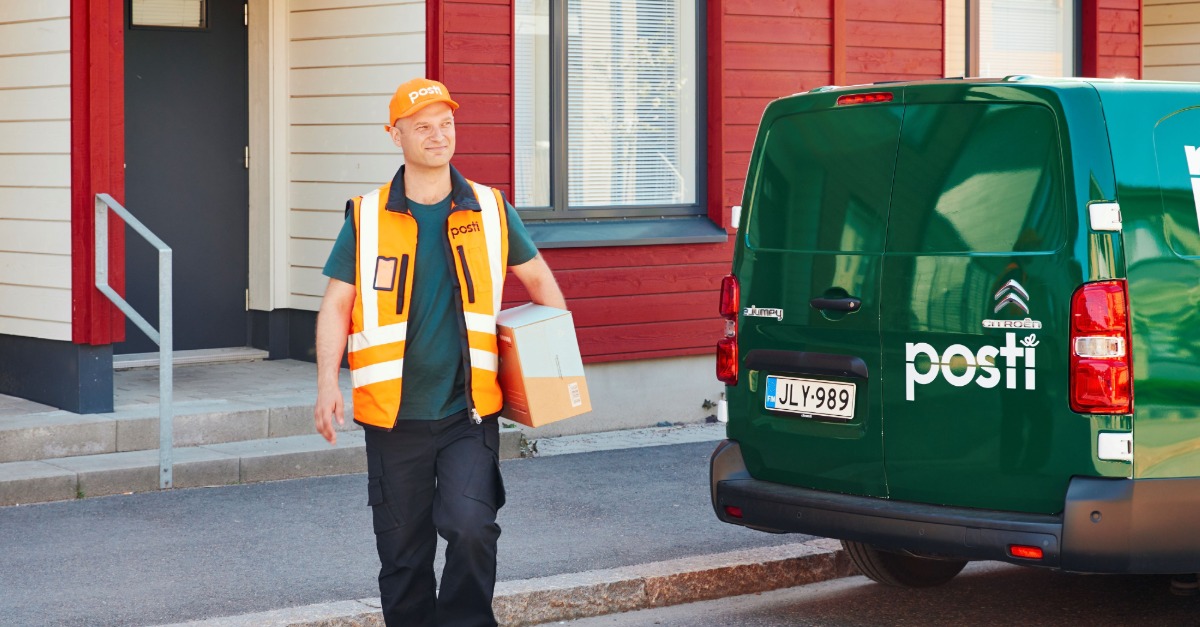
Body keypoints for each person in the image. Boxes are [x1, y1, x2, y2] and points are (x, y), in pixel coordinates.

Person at [313, 77, 566, 627]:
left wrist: (553, 370)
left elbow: (542, 285)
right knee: (403, 557)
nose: (437, 135)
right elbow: (336, 306)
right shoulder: (368, 215)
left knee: (473, 529)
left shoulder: (492, 210)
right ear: (395, 135)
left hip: (466, 413)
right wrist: (328, 385)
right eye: (422, 126)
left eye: (445, 123)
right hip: (393, 418)